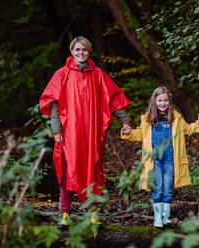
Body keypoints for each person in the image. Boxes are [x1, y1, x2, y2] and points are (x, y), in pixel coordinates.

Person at [40, 36, 130, 229]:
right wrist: (56, 131)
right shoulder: (62, 74)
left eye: (84, 50)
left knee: (93, 171)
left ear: (89, 52)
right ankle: (64, 214)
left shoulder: (98, 75)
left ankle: (93, 214)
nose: (81, 53)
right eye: (77, 50)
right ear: (72, 51)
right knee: (67, 173)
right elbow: (53, 105)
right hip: (68, 135)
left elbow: (113, 97)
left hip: (92, 134)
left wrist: (125, 121)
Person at [121, 86, 199, 228]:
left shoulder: (176, 118)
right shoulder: (147, 119)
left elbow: (190, 129)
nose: (162, 104)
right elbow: (139, 135)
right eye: (159, 100)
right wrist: (128, 132)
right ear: (154, 101)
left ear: (169, 101)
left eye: (165, 100)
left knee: (168, 188)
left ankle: (165, 216)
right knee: (158, 187)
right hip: (154, 160)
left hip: (171, 159)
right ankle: (157, 218)